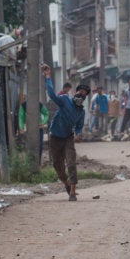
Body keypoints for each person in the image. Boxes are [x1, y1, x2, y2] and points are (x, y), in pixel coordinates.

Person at [41, 63, 89, 201]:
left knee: (71, 163)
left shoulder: (81, 112)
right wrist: (48, 76)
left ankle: (73, 192)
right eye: (80, 92)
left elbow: (79, 126)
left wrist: (79, 133)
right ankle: (66, 183)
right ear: (76, 92)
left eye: (84, 95)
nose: (81, 96)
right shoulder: (64, 100)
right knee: (58, 165)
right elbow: (50, 93)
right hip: (55, 137)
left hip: (68, 137)